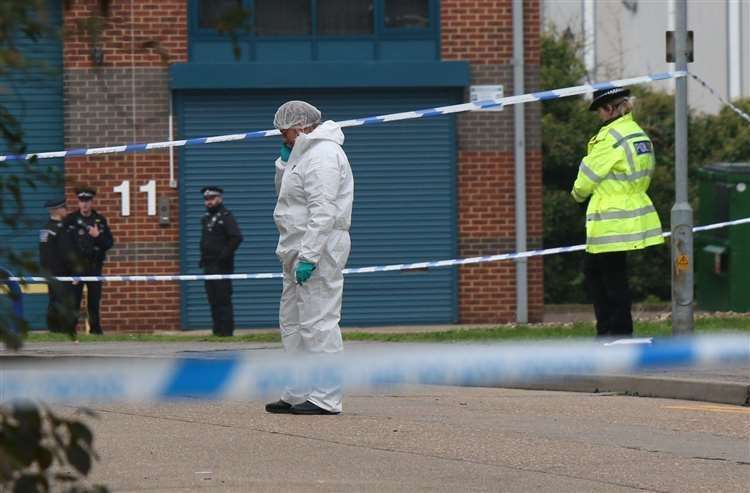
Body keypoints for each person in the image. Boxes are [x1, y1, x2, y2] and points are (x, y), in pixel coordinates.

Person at [265, 100, 354, 416]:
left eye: (285, 132)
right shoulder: (303, 155)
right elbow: (286, 196)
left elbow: (322, 210)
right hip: (295, 248)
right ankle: (298, 390)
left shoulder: (324, 156)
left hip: (320, 249)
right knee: (292, 323)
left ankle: (326, 397)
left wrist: (311, 256)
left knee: (319, 323)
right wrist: (283, 162)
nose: (282, 137)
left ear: (300, 127)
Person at [570, 88, 664, 338]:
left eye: (600, 111)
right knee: (603, 272)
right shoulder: (637, 134)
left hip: (610, 218)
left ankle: (615, 332)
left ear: (610, 109)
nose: (599, 117)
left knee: (609, 278)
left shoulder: (610, 137)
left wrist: (577, 196)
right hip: (632, 213)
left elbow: (586, 178)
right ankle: (612, 331)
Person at [65, 187, 114, 335]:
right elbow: (64, 245)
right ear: (78, 202)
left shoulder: (100, 220)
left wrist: (97, 236)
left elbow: (108, 244)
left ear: (92, 202)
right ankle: (70, 331)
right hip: (76, 267)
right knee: (74, 301)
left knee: (93, 301)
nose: (84, 204)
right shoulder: (71, 220)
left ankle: (95, 331)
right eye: (82, 201)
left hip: (94, 266)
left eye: (87, 201)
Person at [199, 186, 243, 337]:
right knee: (213, 299)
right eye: (206, 199)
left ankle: (226, 332)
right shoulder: (207, 218)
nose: (209, 202)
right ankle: (217, 331)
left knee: (223, 299)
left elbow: (236, 237)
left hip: (222, 267)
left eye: (211, 199)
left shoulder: (225, 216)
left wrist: (224, 256)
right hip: (209, 266)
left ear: (219, 198)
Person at [39, 197, 78, 334]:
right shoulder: (55, 229)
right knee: (60, 303)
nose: (66, 210)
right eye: (63, 208)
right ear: (56, 210)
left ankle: (57, 330)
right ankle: (59, 330)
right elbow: (61, 253)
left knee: (57, 302)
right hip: (60, 273)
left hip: (57, 273)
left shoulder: (53, 228)